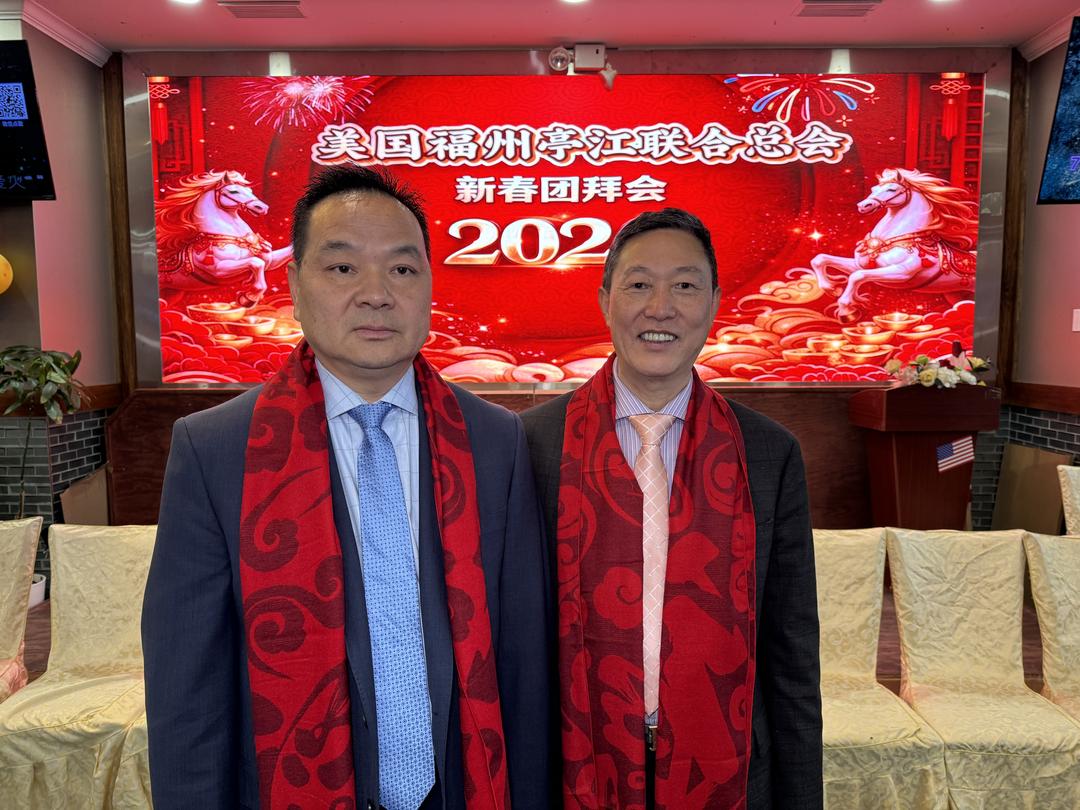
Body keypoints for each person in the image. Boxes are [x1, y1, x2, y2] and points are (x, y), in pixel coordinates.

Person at [142, 166, 552, 810]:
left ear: (429, 285)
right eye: (342, 268)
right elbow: (186, 685)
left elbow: (524, 660)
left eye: (402, 269)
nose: (376, 294)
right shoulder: (214, 449)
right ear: (293, 285)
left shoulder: (496, 440)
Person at [521, 208, 822, 809]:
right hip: (574, 768)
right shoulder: (533, 444)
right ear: (606, 300)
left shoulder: (767, 453)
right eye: (639, 284)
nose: (660, 308)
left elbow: (791, 652)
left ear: (714, 303)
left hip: (733, 770)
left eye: (684, 285)